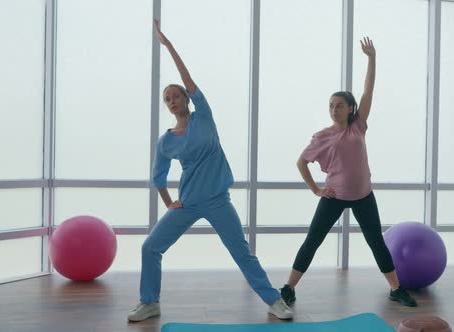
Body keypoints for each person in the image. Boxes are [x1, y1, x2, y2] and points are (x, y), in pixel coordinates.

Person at [127, 19, 293, 322]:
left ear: (187, 99)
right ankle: (149, 302)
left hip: (217, 200)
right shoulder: (166, 141)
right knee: (150, 247)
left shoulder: (204, 116)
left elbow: (187, 79)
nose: (172, 100)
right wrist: (168, 202)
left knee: (242, 254)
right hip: (187, 203)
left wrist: (169, 47)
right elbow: (158, 177)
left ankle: (275, 300)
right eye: (167, 99)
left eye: (176, 96)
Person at [279, 37, 417, 308]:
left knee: (376, 241)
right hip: (335, 196)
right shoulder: (322, 136)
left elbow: (368, 92)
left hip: (363, 195)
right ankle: (288, 288)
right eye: (331, 105)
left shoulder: (358, 126)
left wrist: (372, 59)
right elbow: (301, 162)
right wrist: (316, 189)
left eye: (339, 105)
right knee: (313, 240)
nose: (334, 109)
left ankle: (395, 288)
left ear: (350, 108)